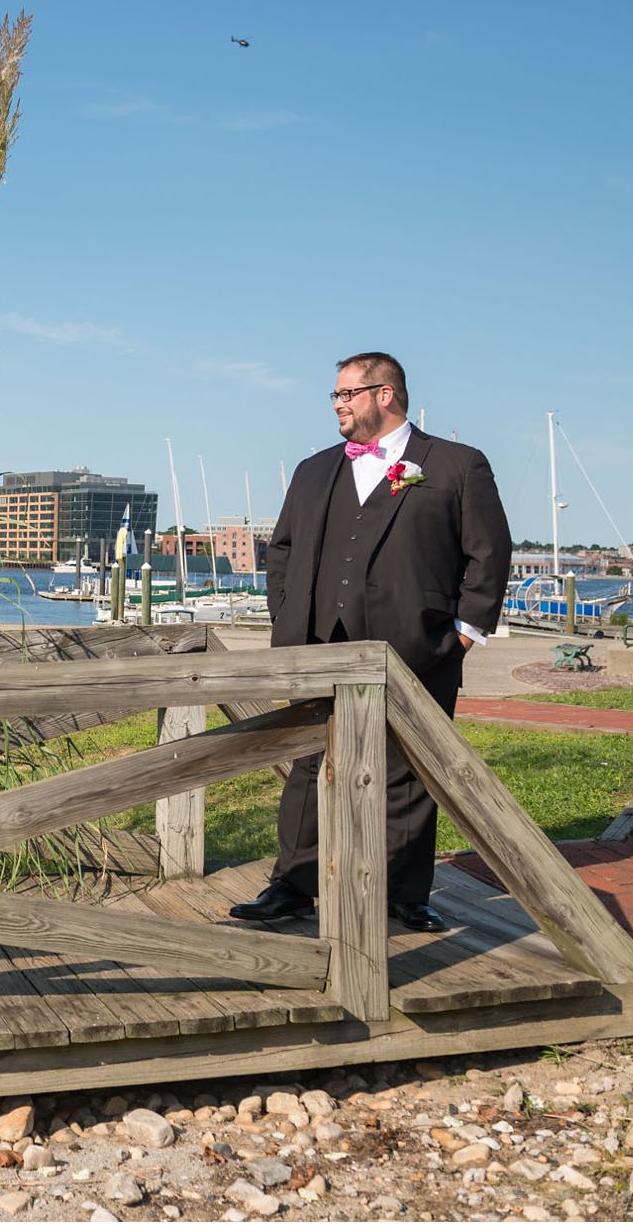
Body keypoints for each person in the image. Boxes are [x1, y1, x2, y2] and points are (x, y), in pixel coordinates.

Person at [230, 353, 511, 934]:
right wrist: (285, 614)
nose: (338, 404)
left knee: (410, 766)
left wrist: (464, 632)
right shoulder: (313, 470)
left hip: (420, 643)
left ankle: (402, 892)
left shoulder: (456, 465)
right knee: (310, 761)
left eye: (347, 394)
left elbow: (489, 552)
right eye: (334, 396)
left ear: (386, 394)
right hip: (316, 641)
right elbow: (280, 549)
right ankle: (292, 884)